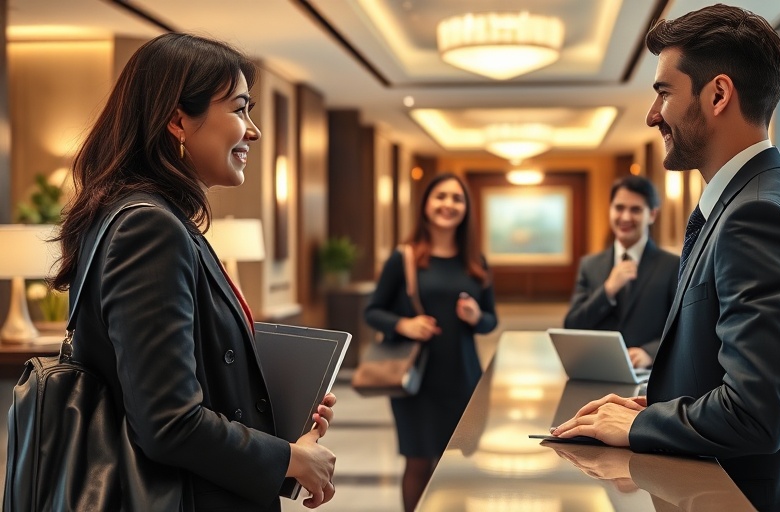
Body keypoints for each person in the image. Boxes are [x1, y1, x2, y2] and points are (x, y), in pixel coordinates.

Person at [550, 5, 780, 511]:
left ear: (717, 95)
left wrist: (641, 425)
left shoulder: (759, 216)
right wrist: (659, 407)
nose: (652, 115)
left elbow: (757, 413)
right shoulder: (758, 201)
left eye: (663, 92)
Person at [50, 33, 336, 511]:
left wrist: (276, 408)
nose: (254, 130)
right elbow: (168, 422)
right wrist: (286, 457)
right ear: (179, 120)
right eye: (240, 109)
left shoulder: (152, 219)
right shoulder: (148, 227)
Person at [364, 172, 498, 512]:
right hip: (416, 383)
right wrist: (404, 324)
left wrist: (474, 316)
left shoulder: (476, 261)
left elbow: (491, 320)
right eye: (440, 197)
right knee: (419, 462)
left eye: (456, 198)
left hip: (463, 377)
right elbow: (373, 311)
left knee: (456, 463)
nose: (448, 205)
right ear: (425, 205)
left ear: (466, 208)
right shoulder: (404, 258)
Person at [563, 175, 678, 368]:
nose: (625, 217)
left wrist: (650, 352)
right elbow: (572, 325)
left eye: (635, 210)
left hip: (649, 377)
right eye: (619, 208)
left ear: (652, 215)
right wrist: (607, 291)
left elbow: (683, 329)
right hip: (597, 370)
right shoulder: (589, 265)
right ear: (610, 210)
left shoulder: (674, 265)